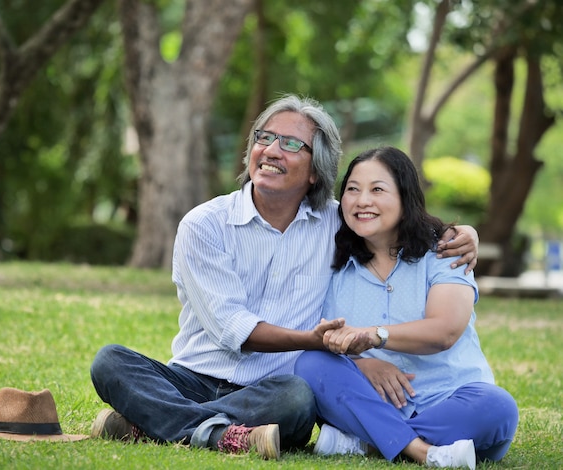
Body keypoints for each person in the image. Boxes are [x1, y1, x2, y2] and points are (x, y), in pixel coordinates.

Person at [89, 96, 479, 460]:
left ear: (315, 171)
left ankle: (152, 424)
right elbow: (233, 329)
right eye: (265, 138)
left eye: (291, 144)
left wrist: (459, 234)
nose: (272, 150)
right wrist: (312, 342)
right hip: (189, 379)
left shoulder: (337, 224)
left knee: (297, 399)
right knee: (110, 361)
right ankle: (215, 433)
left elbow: (391, 222)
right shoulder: (204, 224)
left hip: (272, 391)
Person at [295, 146, 518, 469]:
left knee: (497, 407)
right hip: (374, 400)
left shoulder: (444, 252)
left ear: (406, 197)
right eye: (352, 190)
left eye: (377, 190)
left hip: (451, 402)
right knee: (311, 362)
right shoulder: (333, 263)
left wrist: (376, 336)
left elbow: (445, 330)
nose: (362, 201)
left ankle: (367, 444)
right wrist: (361, 365)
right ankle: (423, 451)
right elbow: (327, 339)